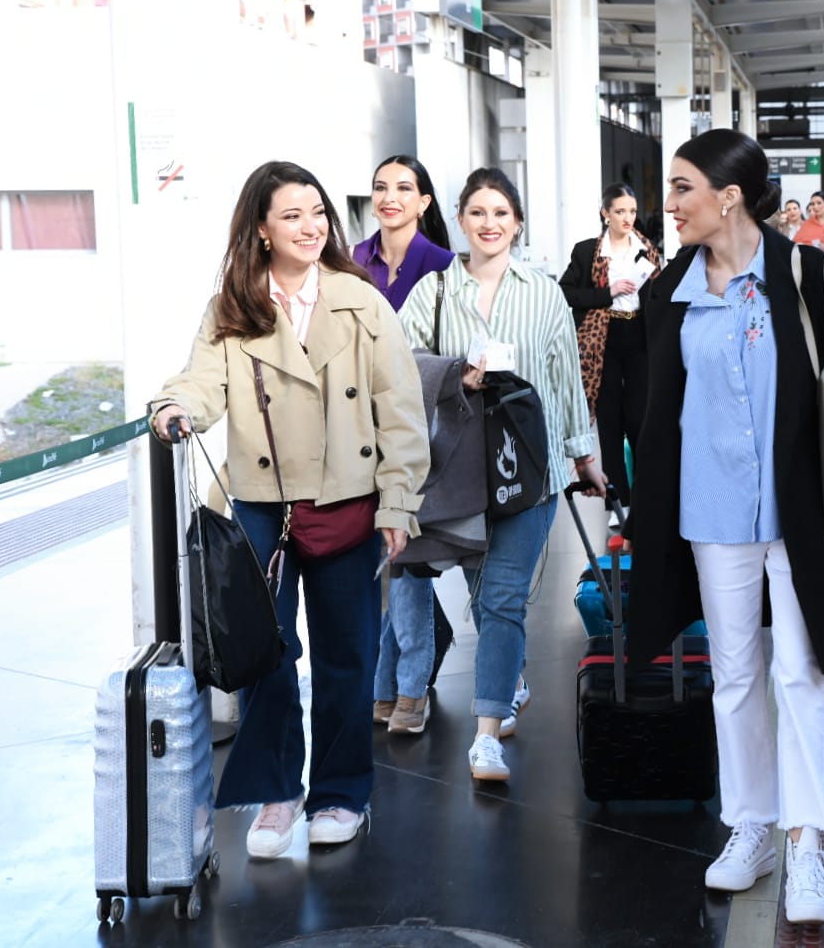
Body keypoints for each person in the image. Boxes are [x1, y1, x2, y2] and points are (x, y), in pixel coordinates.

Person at [627, 129, 824, 926]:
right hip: (708, 510)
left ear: (727, 196)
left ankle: (805, 845)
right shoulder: (667, 292)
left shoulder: (808, 274)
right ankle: (748, 825)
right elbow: (654, 410)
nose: (669, 203)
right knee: (734, 675)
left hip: (799, 506)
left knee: (800, 669)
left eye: (682, 188)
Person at [148, 160, 428, 857]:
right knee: (265, 654)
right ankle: (277, 792)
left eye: (318, 213)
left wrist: (397, 501)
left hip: (348, 503)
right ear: (261, 229)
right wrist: (175, 405)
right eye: (292, 215)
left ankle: (340, 793)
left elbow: (401, 413)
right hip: (260, 507)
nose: (311, 227)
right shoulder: (232, 307)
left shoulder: (362, 303)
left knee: (347, 657)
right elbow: (201, 381)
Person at [397, 166, 605, 781]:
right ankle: (505, 676)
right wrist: (453, 374)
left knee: (502, 596)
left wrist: (583, 455)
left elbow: (567, 377)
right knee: (486, 597)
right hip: (458, 472)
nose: (490, 224)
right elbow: (399, 367)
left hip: (529, 472)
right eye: (478, 213)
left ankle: (485, 733)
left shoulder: (543, 292)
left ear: (517, 224)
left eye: (501, 214)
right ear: (461, 220)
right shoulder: (433, 292)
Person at [353, 154, 457, 736]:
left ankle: (402, 686)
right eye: (380, 187)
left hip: (422, 425)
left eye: (403, 188)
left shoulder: (442, 267)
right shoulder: (350, 264)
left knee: (407, 559)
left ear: (424, 202)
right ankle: (395, 678)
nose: (389, 196)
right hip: (358, 427)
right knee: (388, 558)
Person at [559, 182, 663, 524]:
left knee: (640, 420)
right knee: (609, 422)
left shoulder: (647, 250)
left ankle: (646, 498)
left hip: (639, 337)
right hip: (602, 339)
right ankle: (618, 505)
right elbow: (567, 293)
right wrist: (608, 291)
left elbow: (659, 296)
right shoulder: (588, 251)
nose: (627, 218)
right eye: (620, 211)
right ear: (605, 213)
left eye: (632, 211)